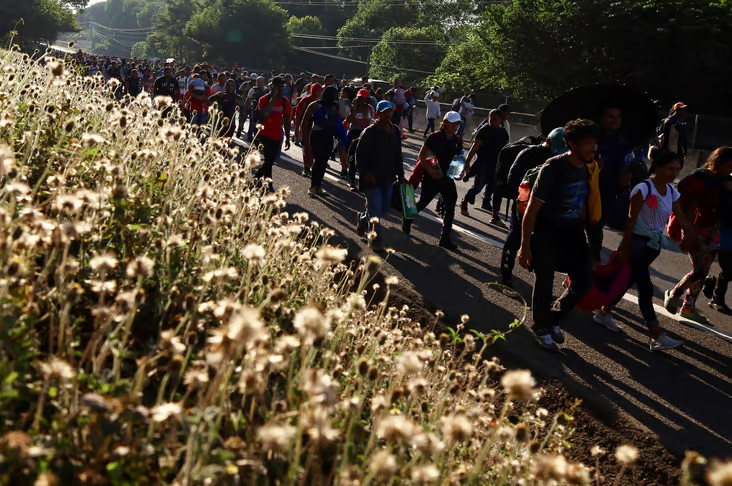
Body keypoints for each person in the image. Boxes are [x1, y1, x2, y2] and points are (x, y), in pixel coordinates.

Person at [592, 150, 691, 350]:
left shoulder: (672, 192)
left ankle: (603, 312)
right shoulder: (644, 188)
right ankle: (656, 335)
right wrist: (625, 248)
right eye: (671, 168)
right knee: (645, 288)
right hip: (635, 244)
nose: (674, 172)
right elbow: (631, 221)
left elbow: (681, 216)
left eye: (678, 169)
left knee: (625, 281)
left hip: (651, 247)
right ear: (659, 167)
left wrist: (695, 239)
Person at [518, 119, 599, 352]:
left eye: (595, 142)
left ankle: (552, 318)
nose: (593, 148)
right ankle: (541, 328)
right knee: (544, 282)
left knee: (584, 280)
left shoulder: (589, 167)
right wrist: (525, 246)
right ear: (572, 144)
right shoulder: (553, 167)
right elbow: (532, 210)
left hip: (573, 232)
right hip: (547, 233)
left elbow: (585, 203)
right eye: (588, 143)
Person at [664, 147, 732, 324]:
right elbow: (688, 206)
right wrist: (687, 234)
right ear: (719, 162)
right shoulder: (702, 179)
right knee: (700, 270)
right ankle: (675, 294)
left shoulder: (725, 182)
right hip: (696, 230)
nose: (731, 170)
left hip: (714, 233)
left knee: (704, 271)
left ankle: (688, 307)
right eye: (729, 165)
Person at [499, 128, 567, 292]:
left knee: (544, 248)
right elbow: (513, 178)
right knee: (514, 238)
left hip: (545, 210)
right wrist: (529, 197)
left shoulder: (560, 159)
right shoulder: (529, 154)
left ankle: (542, 290)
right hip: (523, 205)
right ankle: (505, 276)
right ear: (549, 141)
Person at [402, 111, 463, 251]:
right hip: (432, 177)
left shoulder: (457, 140)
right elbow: (422, 155)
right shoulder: (434, 137)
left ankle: (445, 238)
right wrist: (431, 171)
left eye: (457, 123)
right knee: (423, 203)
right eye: (453, 123)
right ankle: (408, 219)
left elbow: (458, 158)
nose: (455, 126)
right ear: (445, 123)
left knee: (450, 206)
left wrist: (460, 171)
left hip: (447, 178)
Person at [355, 101, 405, 251]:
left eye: (389, 111)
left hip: (387, 178)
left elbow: (398, 154)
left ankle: (363, 220)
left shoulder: (395, 131)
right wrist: (365, 172)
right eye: (384, 112)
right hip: (371, 180)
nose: (388, 114)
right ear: (377, 114)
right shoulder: (370, 132)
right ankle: (376, 241)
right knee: (375, 210)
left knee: (383, 207)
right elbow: (360, 155)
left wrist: (401, 174)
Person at [590, 104, 632, 260]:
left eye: (618, 117)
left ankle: (591, 261)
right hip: (586, 190)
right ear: (601, 118)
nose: (615, 120)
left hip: (609, 192)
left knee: (597, 227)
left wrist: (627, 175)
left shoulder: (624, 141)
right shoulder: (591, 137)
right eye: (610, 116)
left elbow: (625, 165)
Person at [460, 109, 509, 226]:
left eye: (495, 119)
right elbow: (474, 148)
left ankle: (495, 216)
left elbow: (506, 150)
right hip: (483, 165)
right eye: (490, 118)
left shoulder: (503, 133)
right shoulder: (484, 131)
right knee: (477, 188)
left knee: (498, 191)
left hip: (497, 167)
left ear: (500, 120)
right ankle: (465, 201)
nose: (492, 120)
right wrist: (467, 163)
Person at [300, 86, 348, 197]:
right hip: (317, 135)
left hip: (329, 136)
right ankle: (313, 186)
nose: (335, 97)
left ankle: (319, 186)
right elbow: (305, 121)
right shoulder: (315, 105)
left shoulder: (335, 106)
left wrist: (341, 102)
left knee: (323, 162)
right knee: (318, 161)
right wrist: (304, 137)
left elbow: (343, 116)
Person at [253, 76, 291, 190]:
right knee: (269, 160)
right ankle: (269, 185)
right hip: (264, 134)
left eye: (282, 87)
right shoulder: (264, 99)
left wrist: (288, 138)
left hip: (277, 135)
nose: (280, 89)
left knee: (270, 161)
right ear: (272, 86)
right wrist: (273, 99)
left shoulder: (285, 101)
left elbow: (287, 121)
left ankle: (258, 178)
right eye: (278, 87)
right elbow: (264, 115)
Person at [345, 89, 375, 190]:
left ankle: (362, 182)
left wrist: (363, 114)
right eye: (359, 97)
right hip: (353, 134)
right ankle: (352, 181)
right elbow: (349, 120)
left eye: (363, 98)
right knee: (352, 158)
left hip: (365, 136)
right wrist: (354, 110)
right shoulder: (352, 108)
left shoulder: (369, 108)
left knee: (364, 160)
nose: (360, 99)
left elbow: (369, 122)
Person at [295, 83, 323, 178]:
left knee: (314, 149)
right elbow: (298, 115)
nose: (320, 92)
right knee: (307, 148)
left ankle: (310, 166)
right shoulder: (306, 100)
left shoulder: (321, 102)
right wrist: (297, 129)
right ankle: (306, 168)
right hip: (306, 127)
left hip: (317, 129)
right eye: (319, 90)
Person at [245, 76, 268, 141]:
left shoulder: (267, 91)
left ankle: (259, 138)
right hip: (254, 110)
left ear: (264, 82)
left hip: (264, 110)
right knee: (252, 123)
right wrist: (245, 110)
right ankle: (250, 136)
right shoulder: (253, 90)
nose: (259, 83)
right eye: (258, 82)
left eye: (261, 82)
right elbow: (248, 99)